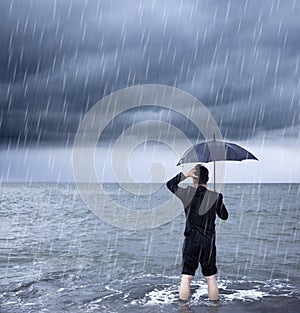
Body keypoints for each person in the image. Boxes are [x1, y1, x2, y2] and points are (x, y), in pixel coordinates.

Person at [166, 164, 228, 301]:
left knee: (186, 277)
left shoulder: (187, 194)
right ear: (208, 179)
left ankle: (183, 309)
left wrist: (185, 175)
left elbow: (170, 184)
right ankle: (214, 309)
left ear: (194, 179)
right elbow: (224, 216)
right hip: (208, 243)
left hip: (191, 242)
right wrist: (217, 199)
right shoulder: (215, 196)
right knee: (210, 278)